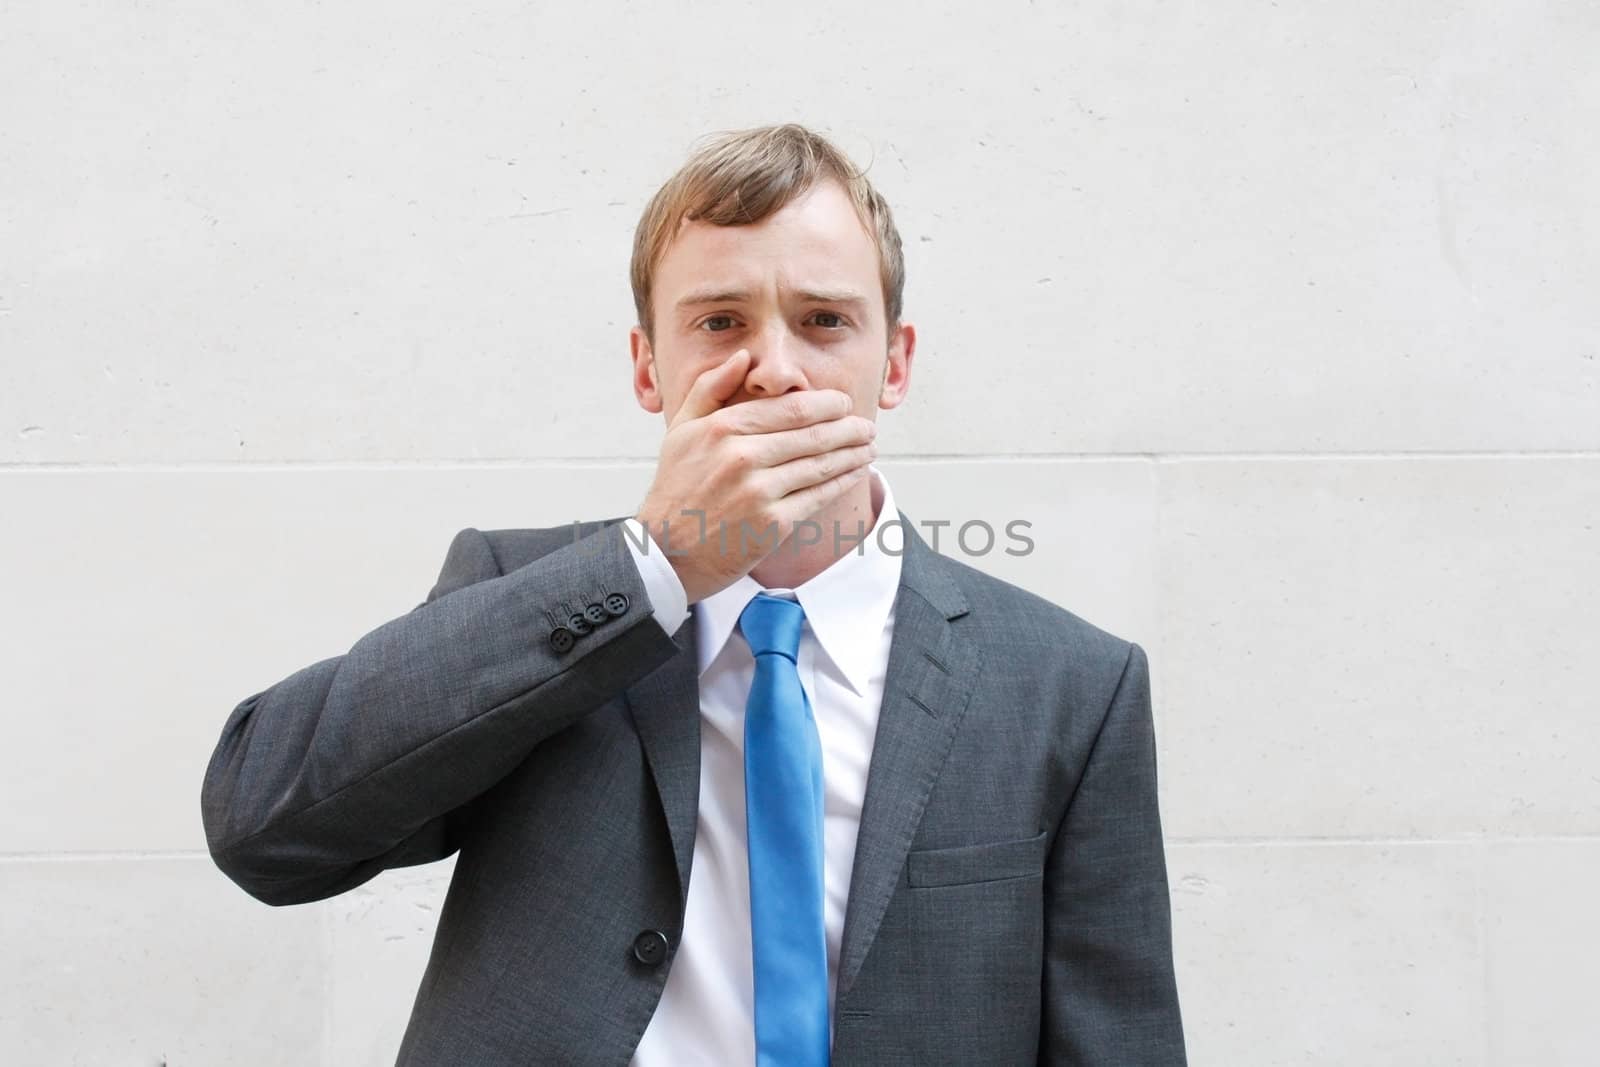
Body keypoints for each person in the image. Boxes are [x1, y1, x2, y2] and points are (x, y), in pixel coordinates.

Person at [200, 122, 1187, 1065]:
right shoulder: (522, 594)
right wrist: (655, 562)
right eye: (719, 321)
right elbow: (265, 831)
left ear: (894, 362)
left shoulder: (1070, 684)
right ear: (647, 368)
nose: (773, 368)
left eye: (824, 320)